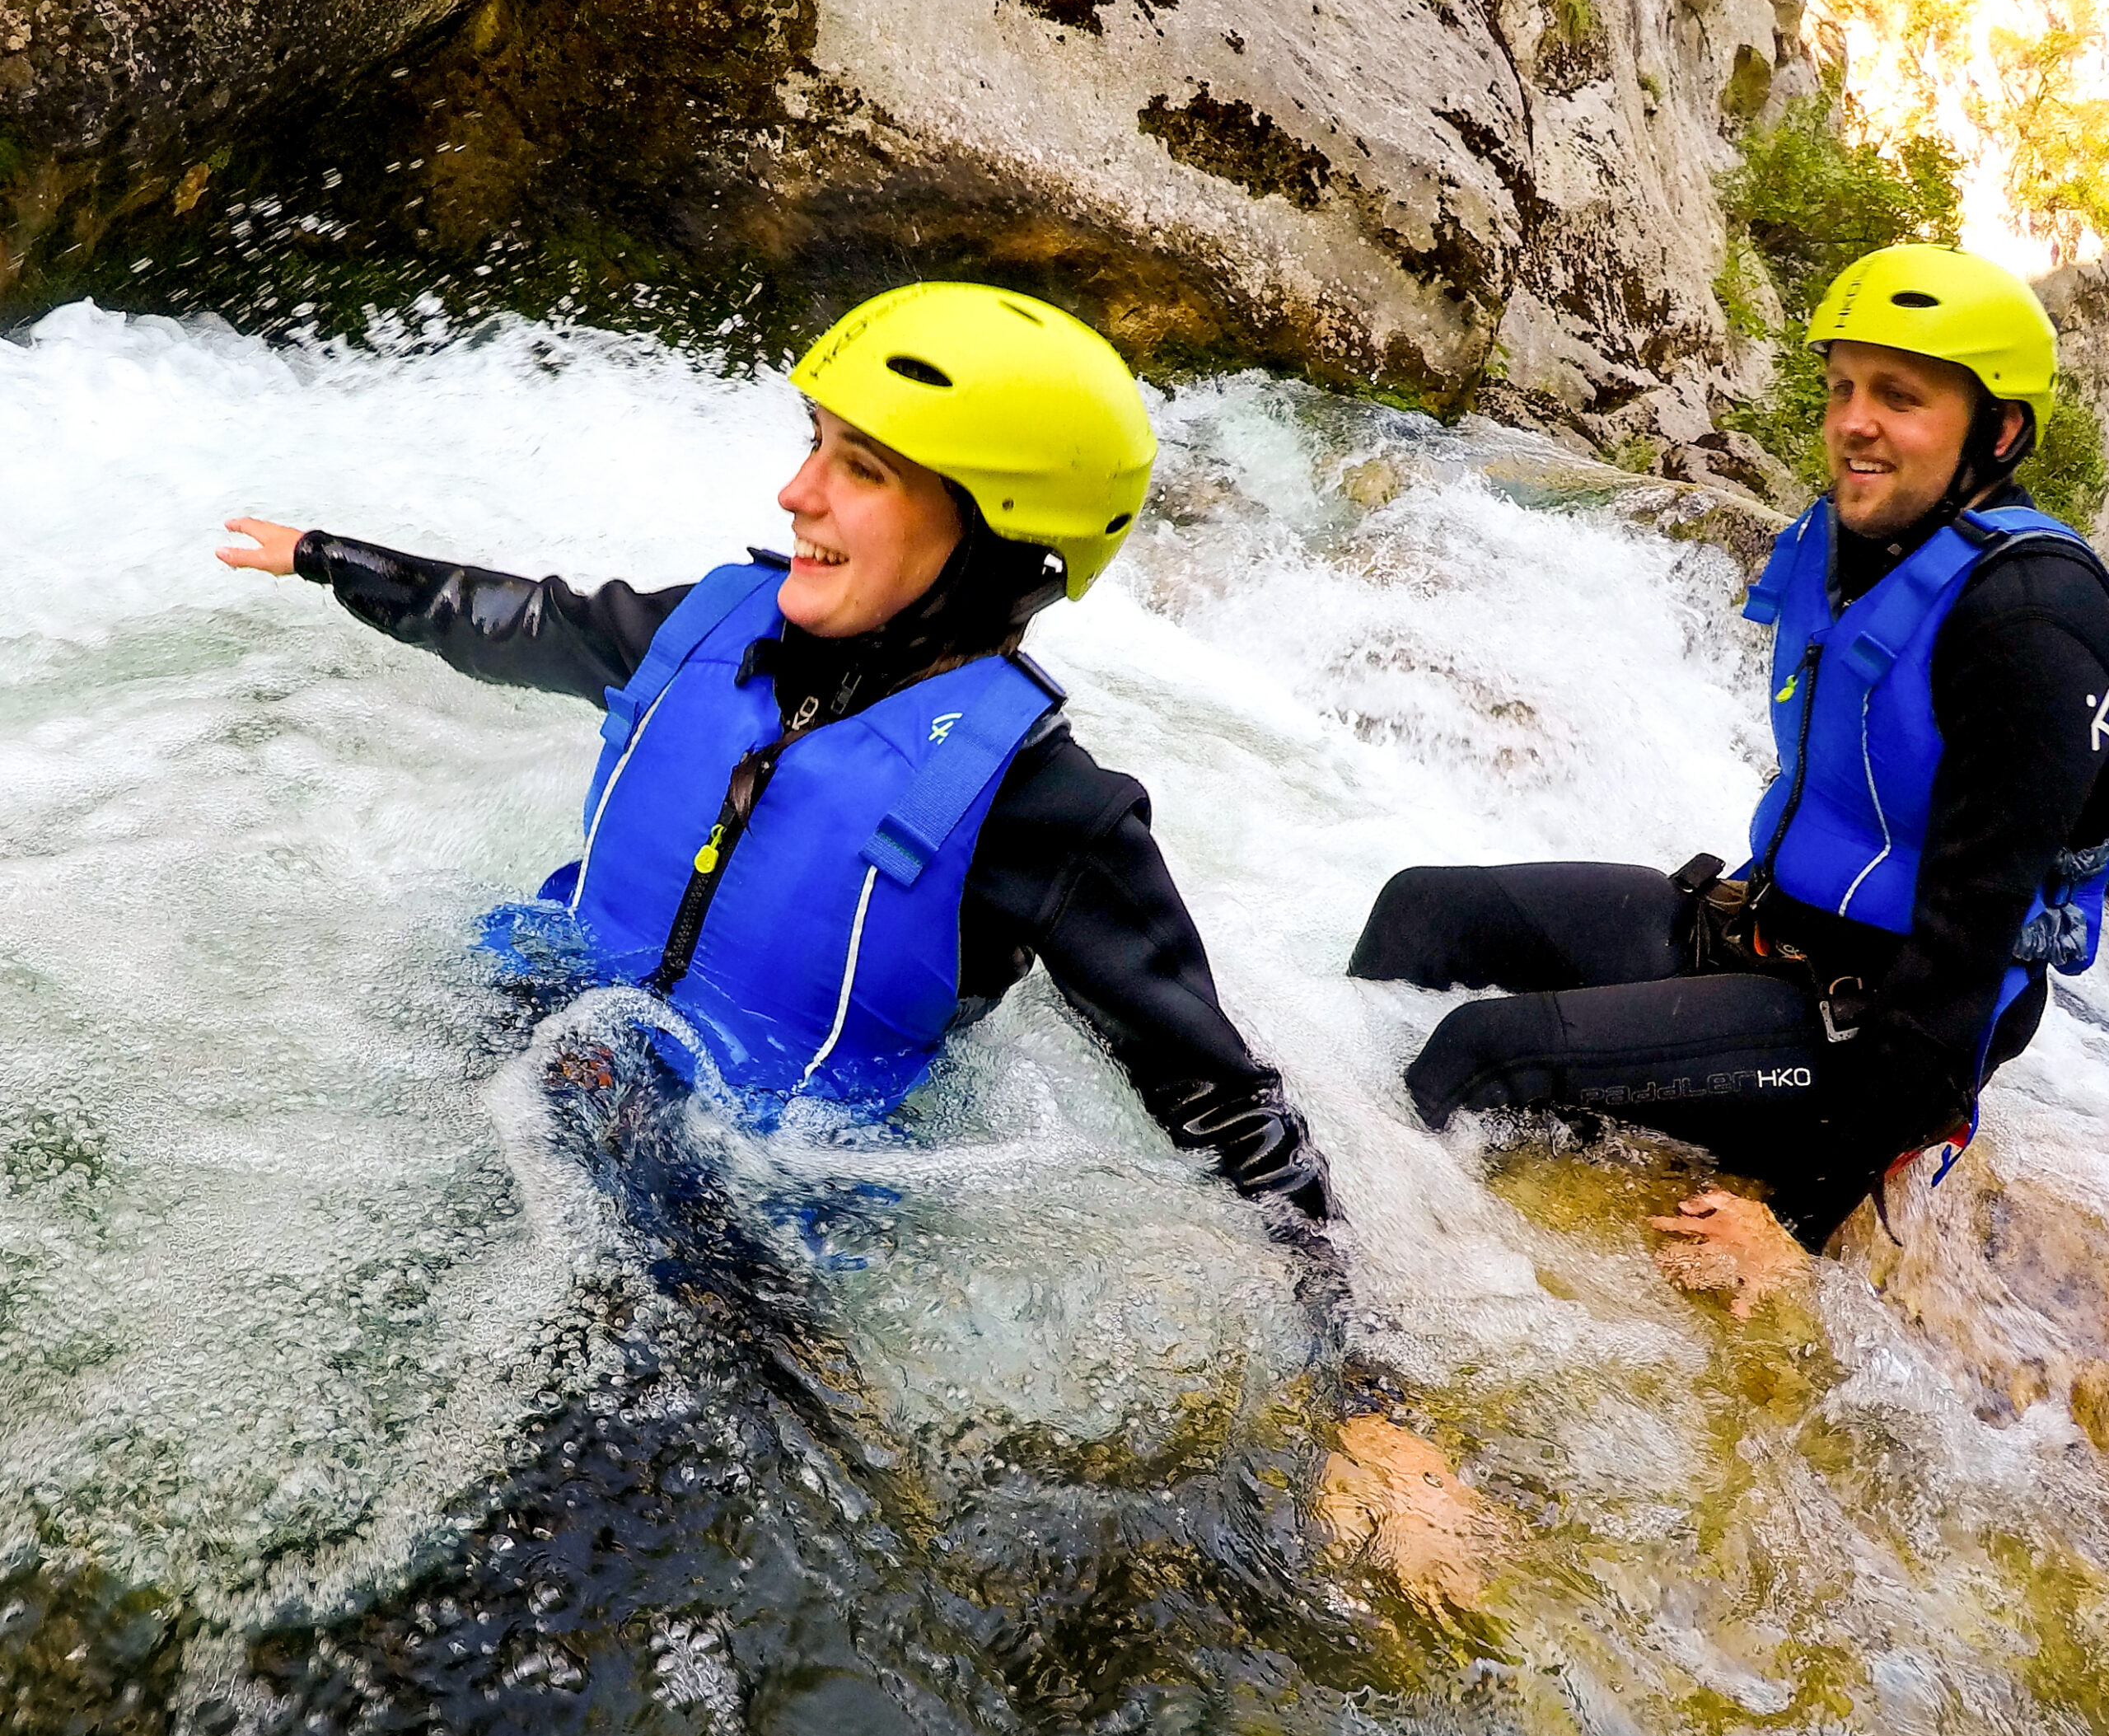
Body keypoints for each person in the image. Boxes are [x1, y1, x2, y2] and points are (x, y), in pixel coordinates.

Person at [221, 282, 1331, 1227]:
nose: (797, 493)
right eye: (814, 444)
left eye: (866, 469)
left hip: (736, 1202)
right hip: (521, 1048)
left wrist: (1362, 1384)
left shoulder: (1045, 808)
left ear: (994, 534)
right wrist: (330, 558)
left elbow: (1224, 1106)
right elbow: (522, 622)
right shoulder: (706, 629)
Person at [1349, 243, 2109, 1257]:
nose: (1852, 423)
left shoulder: (2032, 623)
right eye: (1841, 387)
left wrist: (1791, 1221)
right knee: (1421, 907)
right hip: (1757, 929)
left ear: (1999, 430)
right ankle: (1298, 1131)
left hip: (1873, 1025)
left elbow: (1962, 966)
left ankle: (1350, 1282)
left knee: (1480, 1050)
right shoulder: (1856, 545)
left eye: (1899, 396)